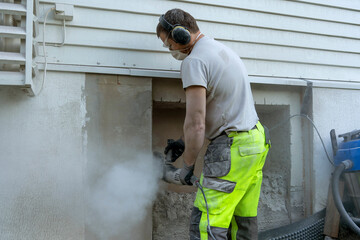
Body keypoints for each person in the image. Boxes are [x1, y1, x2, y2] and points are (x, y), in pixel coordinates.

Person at [157, 8, 270, 240]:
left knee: (206, 225)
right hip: (256, 141)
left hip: (233, 148)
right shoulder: (219, 49)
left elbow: (196, 122)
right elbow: (213, 108)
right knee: (243, 221)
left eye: (169, 45)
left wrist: (186, 169)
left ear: (180, 35)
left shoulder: (194, 61)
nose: (171, 51)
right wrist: (182, 141)